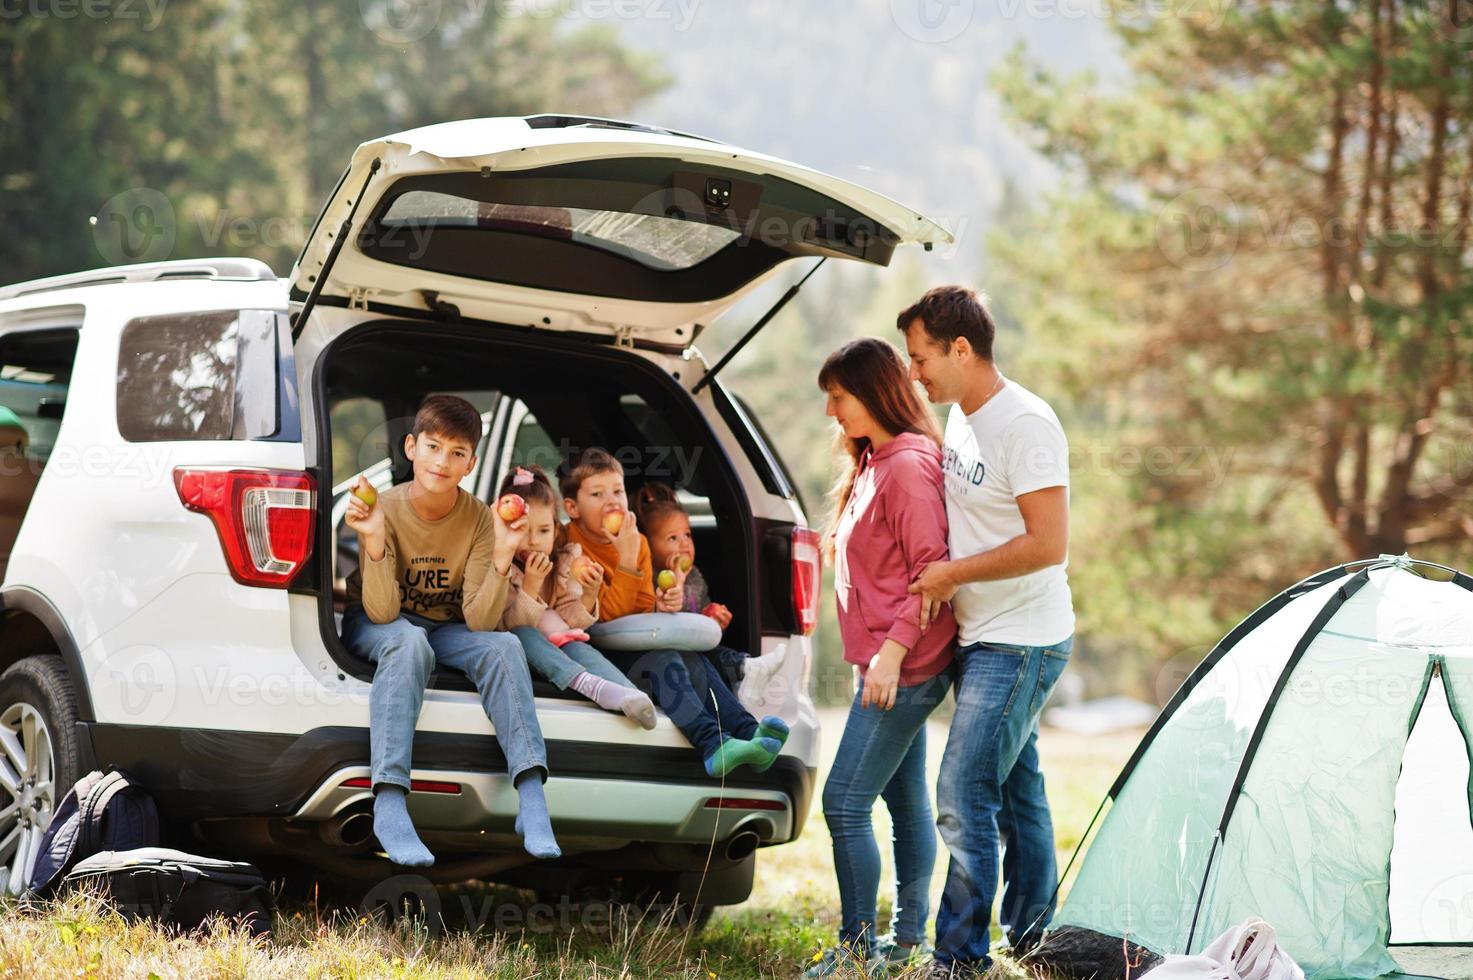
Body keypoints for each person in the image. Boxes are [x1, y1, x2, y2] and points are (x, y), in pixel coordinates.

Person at [900, 286, 1075, 978]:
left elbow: (1047, 543)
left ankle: (958, 957)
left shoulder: (1025, 424)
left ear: (961, 349)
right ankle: (1036, 939)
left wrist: (949, 576)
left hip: (1022, 640)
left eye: (921, 359)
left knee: (962, 790)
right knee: (1016, 794)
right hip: (982, 637)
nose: (915, 373)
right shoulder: (965, 417)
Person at [341, 394, 560, 866]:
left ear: (471, 464)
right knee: (406, 639)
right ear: (411, 447)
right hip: (380, 621)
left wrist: (504, 553)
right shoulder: (387, 507)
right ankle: (390, 800)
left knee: (503, 645)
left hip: (443, 627)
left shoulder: (482, 518)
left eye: (457, 453)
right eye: (434, 447)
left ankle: (532, 796)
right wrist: (376, 538)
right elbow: (380, 612)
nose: (442, 461)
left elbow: (480, 621)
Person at [803, 338, 958, 979]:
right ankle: (906, 941)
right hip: (890, 661)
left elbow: (932, 572)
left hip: (908, 664)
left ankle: (857, 951)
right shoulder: (877, 461)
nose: (832, 411)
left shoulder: (908, 467)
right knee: (903, 800)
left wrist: (891, 656)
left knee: (843, 803)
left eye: (838, 397)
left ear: (871, 393)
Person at [561, 447, 788, 776]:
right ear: (572, 507)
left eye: (618, 491)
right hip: (595, 652)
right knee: (666, 660)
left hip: (628, 643)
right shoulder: (570, 544)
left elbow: (638, 611)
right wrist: (624, 561)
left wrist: (659, 605)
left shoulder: (636, 542)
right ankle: (713, 745)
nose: (612, 502)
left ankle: (750, 733)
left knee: (693, 659)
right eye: (597, 494)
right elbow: (603, 619)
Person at [494, 465, 657, 730]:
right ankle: (588, 684)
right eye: (524, 531)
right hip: (524, 650)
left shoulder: (565, 560)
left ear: (556, 530)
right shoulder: (504, 568)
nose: (534, 541)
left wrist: (589, 596)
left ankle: (629, 694)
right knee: (525, 634)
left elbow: (572, 620)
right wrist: (531, 587)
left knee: (579, 646)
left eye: (544, 531)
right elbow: (510, 624)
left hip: (560, 643)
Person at [631, 481, 787, 699]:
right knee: (711, 658)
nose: (684, 544)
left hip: (694, 648)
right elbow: (662, 617)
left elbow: (700, 613)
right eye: (672, 538)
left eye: (687, 535)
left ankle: (745, 673)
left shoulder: (694, 576)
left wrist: (712, 618)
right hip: (667, 654)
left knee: (715, 653)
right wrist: (677, 579)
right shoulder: (651, 577)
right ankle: (744, 670)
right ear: (646, 546)